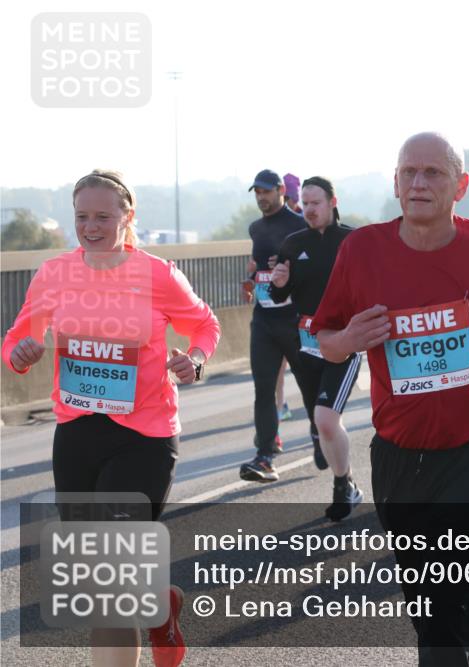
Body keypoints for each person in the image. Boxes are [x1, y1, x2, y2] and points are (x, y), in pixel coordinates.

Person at [312, 132, 469, 666]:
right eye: (409, 173)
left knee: (450, 601)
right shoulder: (362, 249)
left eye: (434, 173)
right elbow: (324, 338)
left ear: (460, 185)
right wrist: (349, 340)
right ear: (395, 183)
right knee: (429, 608)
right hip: (398, 452)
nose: (419, 183)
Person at [2, 169, 221, 667]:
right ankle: (160, 604)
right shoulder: (55, 274)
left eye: (103, 216)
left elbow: (204, 325)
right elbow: (15, 341)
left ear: (129, 217)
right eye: (82, 216)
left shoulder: (158, 274)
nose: (91, 226)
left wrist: (195, 360)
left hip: (143, 436)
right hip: (78, 434)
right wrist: (23, 354)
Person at [268, 176, 364, 520]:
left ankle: (343, 485)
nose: (308, 209)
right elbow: (279, 295)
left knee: (326, 418)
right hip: (305, 344)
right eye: (304, 204)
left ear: (332, 202)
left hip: (343, 341)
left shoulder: (353, 240)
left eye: (315, 203)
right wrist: (278, 284)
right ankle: (341, 470)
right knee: (319, 419)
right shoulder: (293, 243)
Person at [239, 169, 308, 482]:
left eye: (266, 191)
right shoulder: (255, 228)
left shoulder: (300, 224)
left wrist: (289, 267)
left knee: (309, 385)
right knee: (263, 389)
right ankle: (265, 454)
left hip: (294, 318)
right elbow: (259, 268)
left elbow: (315, 267)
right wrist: (253, 281)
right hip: (265, 318)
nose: (261, 198)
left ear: (281, 190)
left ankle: (323, 441)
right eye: (257, 193)